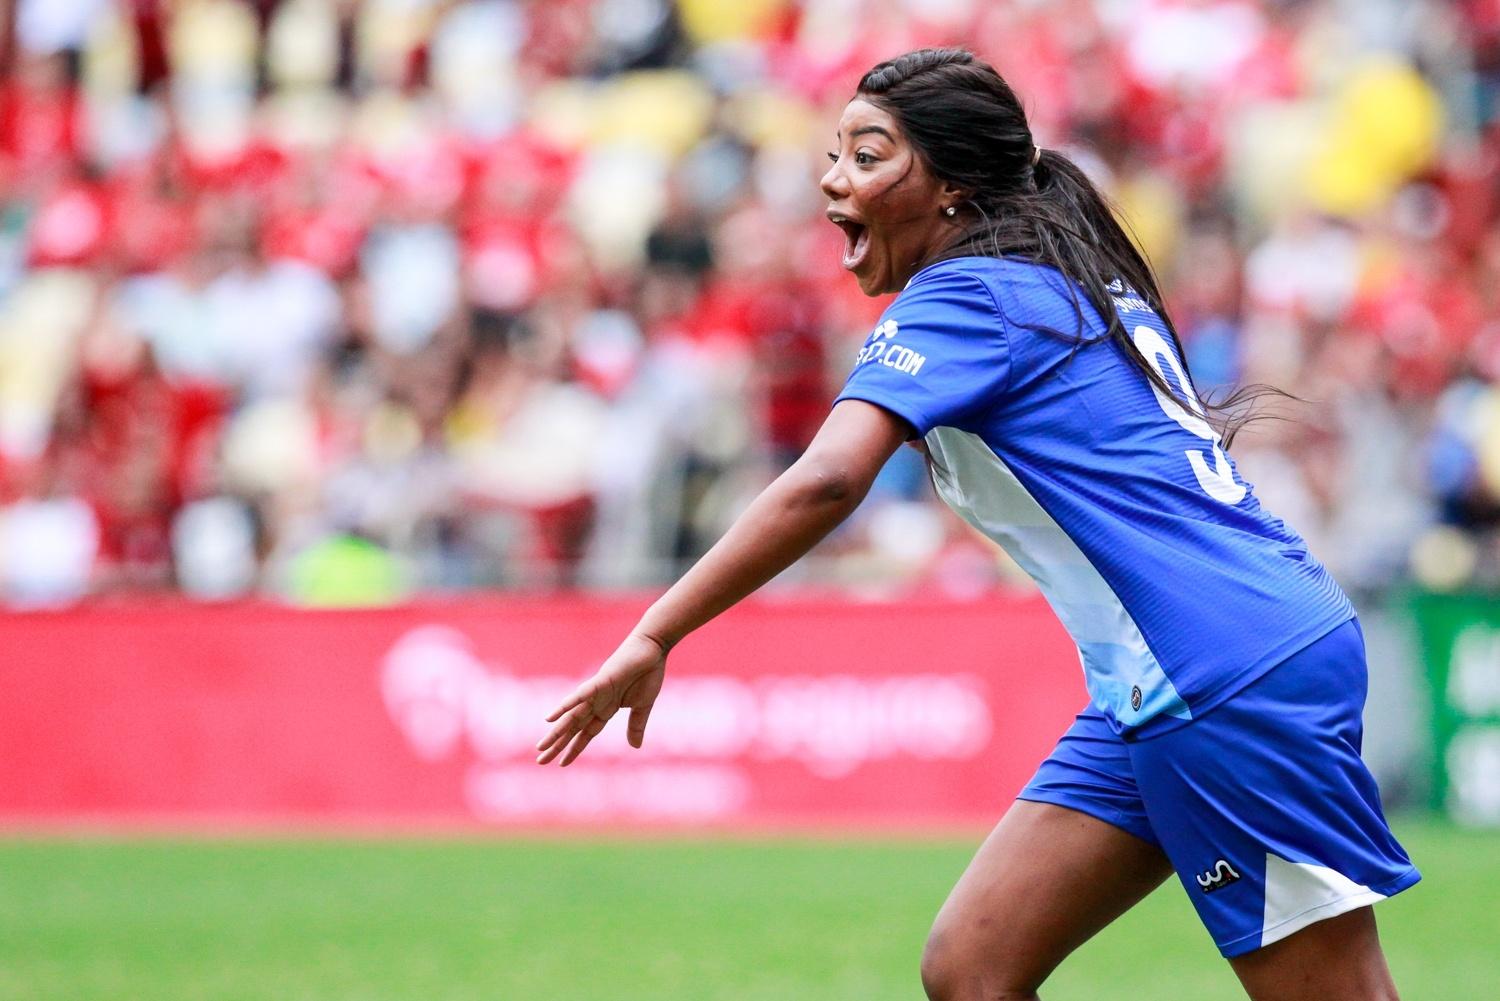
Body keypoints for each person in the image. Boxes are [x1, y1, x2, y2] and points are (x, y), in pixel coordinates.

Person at [535, 48, 1418, 1001]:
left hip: (1219, 673)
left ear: (952, 187)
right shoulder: (1051, 276)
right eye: (835, 153)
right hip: (1189, 667)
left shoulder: (967, 294)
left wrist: (657, 629)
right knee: (973, 967)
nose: (833, 178)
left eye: (868, 155)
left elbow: (827, 481)